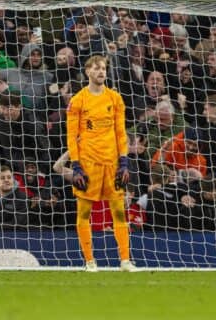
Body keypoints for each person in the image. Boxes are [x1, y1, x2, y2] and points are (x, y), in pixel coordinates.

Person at [66, 55, 135, 272]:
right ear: (87, 72)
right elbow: (71, 136)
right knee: (84, 214)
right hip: (88, 164)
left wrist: (124, 161)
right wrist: (76, 166)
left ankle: (125, 260)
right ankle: (89, 261)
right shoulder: (78, 100)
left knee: (119, 212)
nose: (101, 72)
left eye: (104, 68)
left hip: (112, 164)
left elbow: (121, 133)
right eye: (96, 68)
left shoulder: (115, 99)